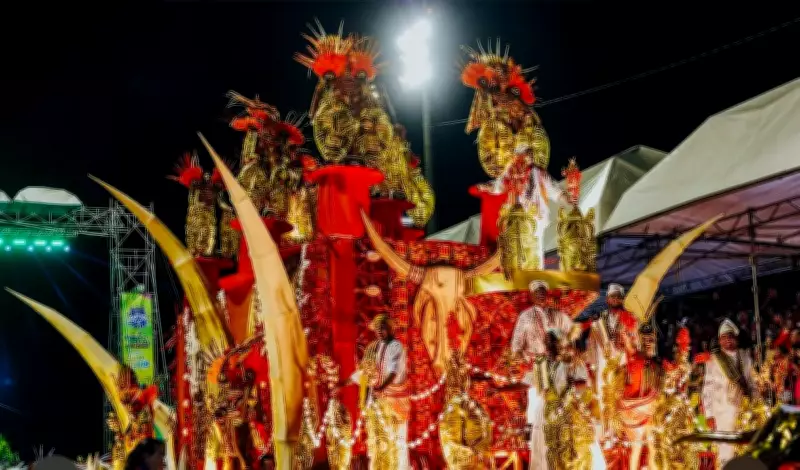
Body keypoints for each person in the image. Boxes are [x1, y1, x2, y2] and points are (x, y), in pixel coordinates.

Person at [336, 314, 410, 470]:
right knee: (376, 441)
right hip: (376, 402)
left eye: (382, 328)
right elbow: (364, 372)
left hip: (394, 403)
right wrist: (343, 384)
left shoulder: (396, 347)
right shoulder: (376, 347)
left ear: (391, 328)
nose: (379, 332)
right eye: (377, 329)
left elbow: (394, 372)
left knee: (396, 442)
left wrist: (381, 388)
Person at [702, 319, 759, 468]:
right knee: (725, 450)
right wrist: (709, 414)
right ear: (720, 341)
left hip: (743, 410)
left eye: (730, 336)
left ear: (736, 338)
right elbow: (707, 389)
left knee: (744, 448)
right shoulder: (714, 360)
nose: (728, 340)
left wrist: (755, 403)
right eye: (724, 337)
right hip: (722, 411)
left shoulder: (745, 358)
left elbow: (752, 382)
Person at [511, 280, 577, 361]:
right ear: (531, 296)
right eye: (537, 293)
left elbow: (572, 329)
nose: (541, 295)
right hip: (533, 360)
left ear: (546, 295)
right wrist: (517, 352)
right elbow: (517, 337)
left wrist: (565, 342)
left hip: (555, 359)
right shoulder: (525, 315)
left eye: (543, 293)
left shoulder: (556, 313)